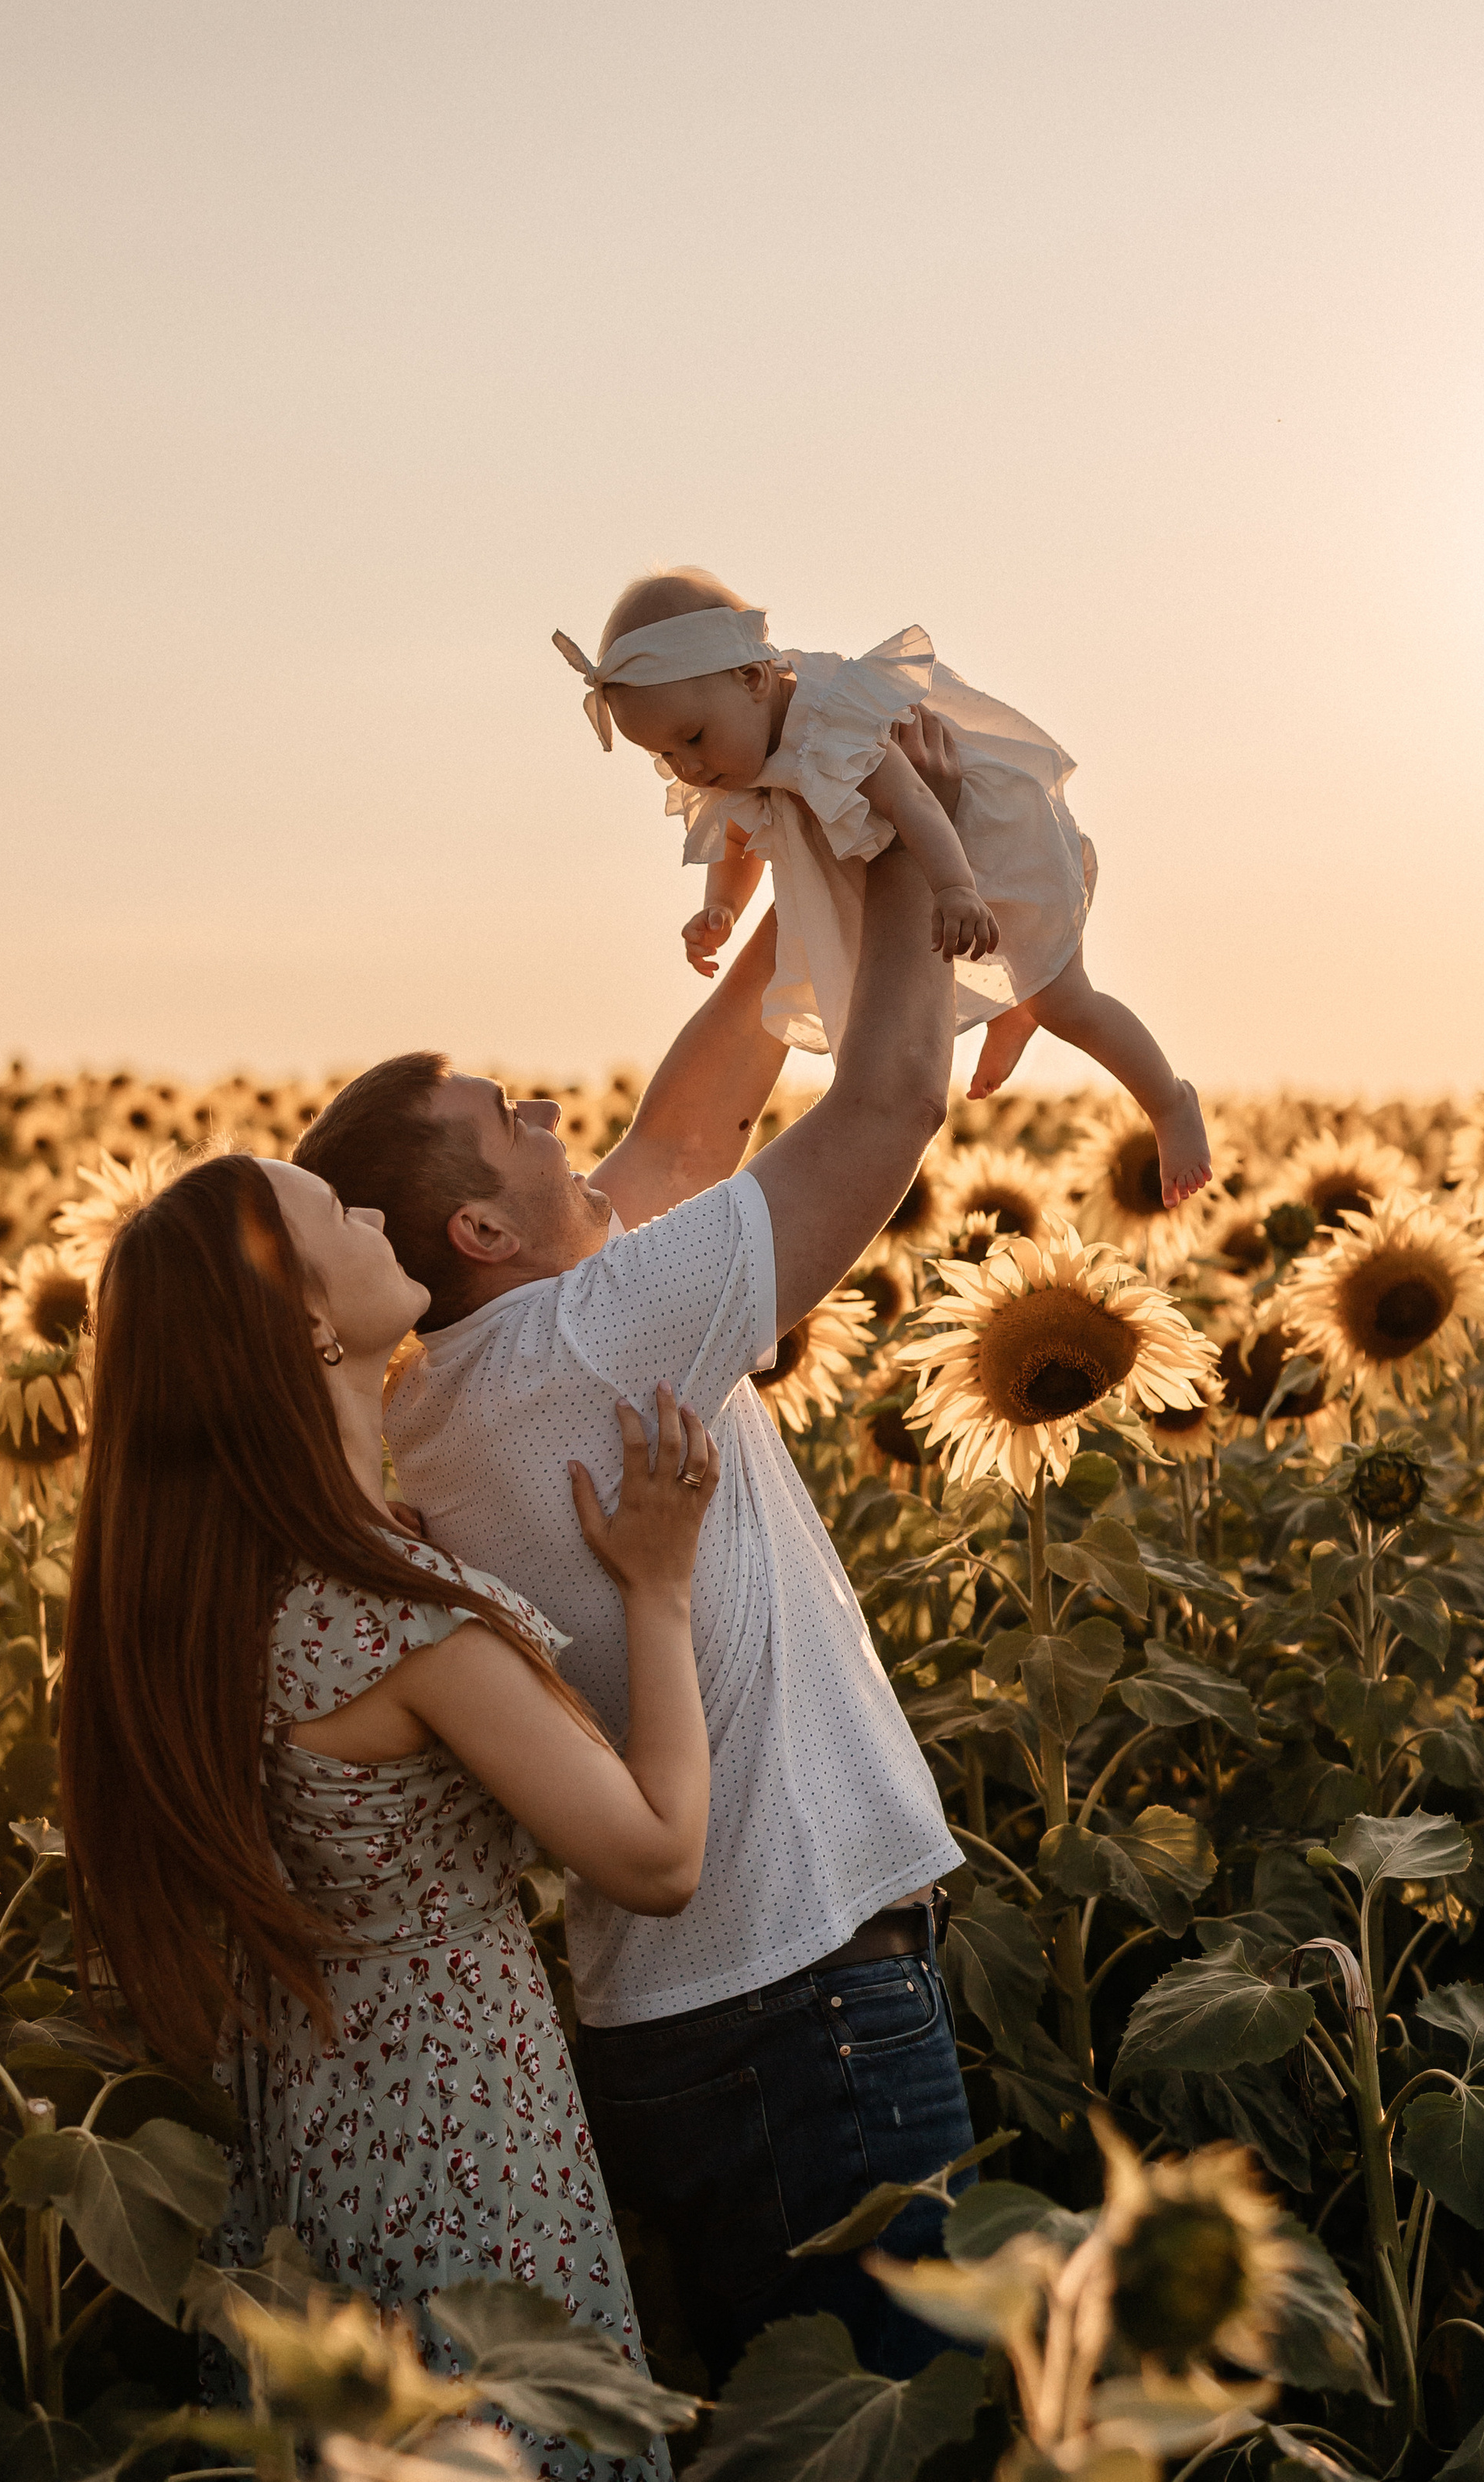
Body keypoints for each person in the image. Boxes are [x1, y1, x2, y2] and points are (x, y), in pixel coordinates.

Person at [293, 709, 977, 2383]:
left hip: (693, 2019)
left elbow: (683, 1137)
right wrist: (914, 866)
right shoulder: (594, 1340)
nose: (548, 1109)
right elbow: (885, 1096)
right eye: (510, 1116)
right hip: (796, 2008)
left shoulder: (470, 1387)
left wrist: (802, 837)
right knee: (888, 2434)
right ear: (477, 1232)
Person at [57, 1147, 721, 2482]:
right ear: (305, 1323)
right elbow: (657, 1858)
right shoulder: (398, 1625)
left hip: (312, 2132)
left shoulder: (204, 1594)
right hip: (465, 2138)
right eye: (333, 1213)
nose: (367, 1207)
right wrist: (658, 1591)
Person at [552, 565, 1212, 1199]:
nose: (688, 766)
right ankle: (1016, 1006)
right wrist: (720, 906)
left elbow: (918, 802)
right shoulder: (735, 751)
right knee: (909, 992)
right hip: (913, 859)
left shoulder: (832, 725)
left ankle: (1169, 1101)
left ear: (753, 679)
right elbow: (737, 833)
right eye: (665, 756)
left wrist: (956, 887)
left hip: (981, 847)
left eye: (692, 738)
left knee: (1067, 1001)